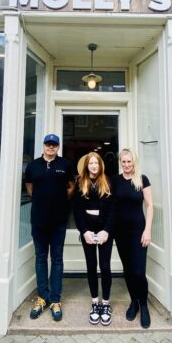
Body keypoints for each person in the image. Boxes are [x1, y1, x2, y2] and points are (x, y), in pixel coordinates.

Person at [25, 133, 75, 322]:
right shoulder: (33, 166)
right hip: (38, 220)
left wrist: (60, 200)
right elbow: (30, 188)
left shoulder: (65, 165)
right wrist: (41, 200)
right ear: (43, 145)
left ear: (58, 147)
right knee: (40, 257)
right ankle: (42, 297)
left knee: (57, 259)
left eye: (54, 145)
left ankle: (55, 299)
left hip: (59, 221)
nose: (51, 147)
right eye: (48, 144)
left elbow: (71, 186)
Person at [112, 148, 153, 329]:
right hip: (120, 232)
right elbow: (110, 206)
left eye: (129, 162)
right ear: (120, 162)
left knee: (138, 271)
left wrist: (147, 230)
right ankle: (134, 301)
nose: (126, 165)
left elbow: (150, 206)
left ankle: (144, 306)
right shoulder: (115, 181)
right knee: (128, 270)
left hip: (138, 231)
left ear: (134, 162)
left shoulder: (142, 180)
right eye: (123, 162)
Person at [73, 152, 115, 326]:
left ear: (100, 165)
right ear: (86, 166)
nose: (94, 166)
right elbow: (76, 210)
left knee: (105, 266)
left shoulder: (108, 181)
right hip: (88, 232)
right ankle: (95, 302)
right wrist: (84, 231)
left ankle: (105, 304)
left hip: (105, 231)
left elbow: (113, 209)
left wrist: (106, 230)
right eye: (91, 163)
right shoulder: (80, 182)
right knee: (91, 265)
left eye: (96, 163)